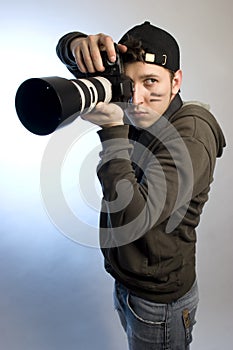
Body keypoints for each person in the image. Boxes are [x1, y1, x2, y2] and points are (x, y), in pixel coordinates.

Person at [56, 21, 226, 349]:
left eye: (151, 81)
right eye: (128, 82)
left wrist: (112, 132)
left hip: (159, 303)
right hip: (129, 284)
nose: (137, 98)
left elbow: (135, 217)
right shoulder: (143, 112)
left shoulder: (191, 134)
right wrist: (76, 45)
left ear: (176, 81)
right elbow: (66, 50)